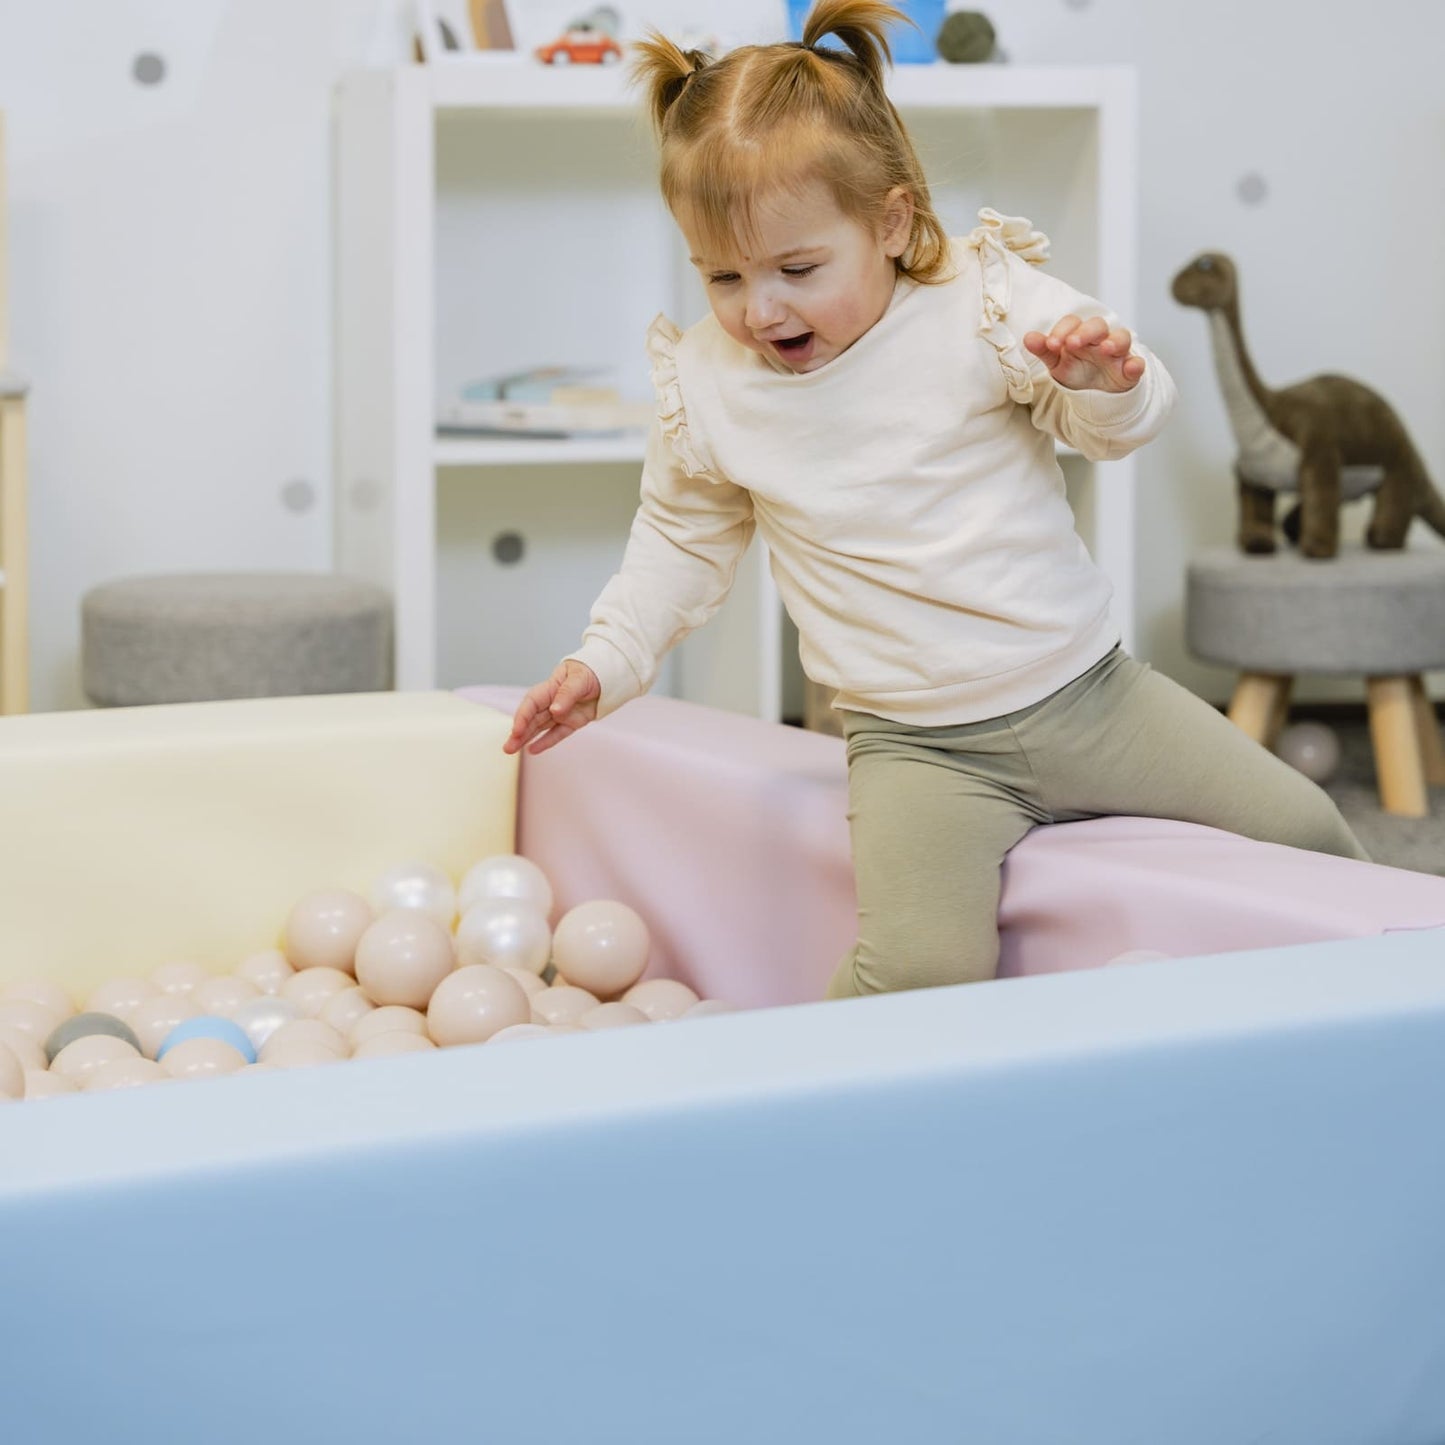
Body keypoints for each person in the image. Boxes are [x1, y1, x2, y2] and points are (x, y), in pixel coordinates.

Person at [504, 0, 1368, 999]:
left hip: (1091, 696)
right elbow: (679, 540)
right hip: (912, 744)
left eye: (796, 268)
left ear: (891, 222)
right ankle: (807, 1112)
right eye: (721, 276)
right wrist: (604, 658)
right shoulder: (707, 380)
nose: (760, 308)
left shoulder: (983, 301)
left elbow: (1119, 426)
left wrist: (1105, 382)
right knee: (917, 968)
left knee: (1309, 835)